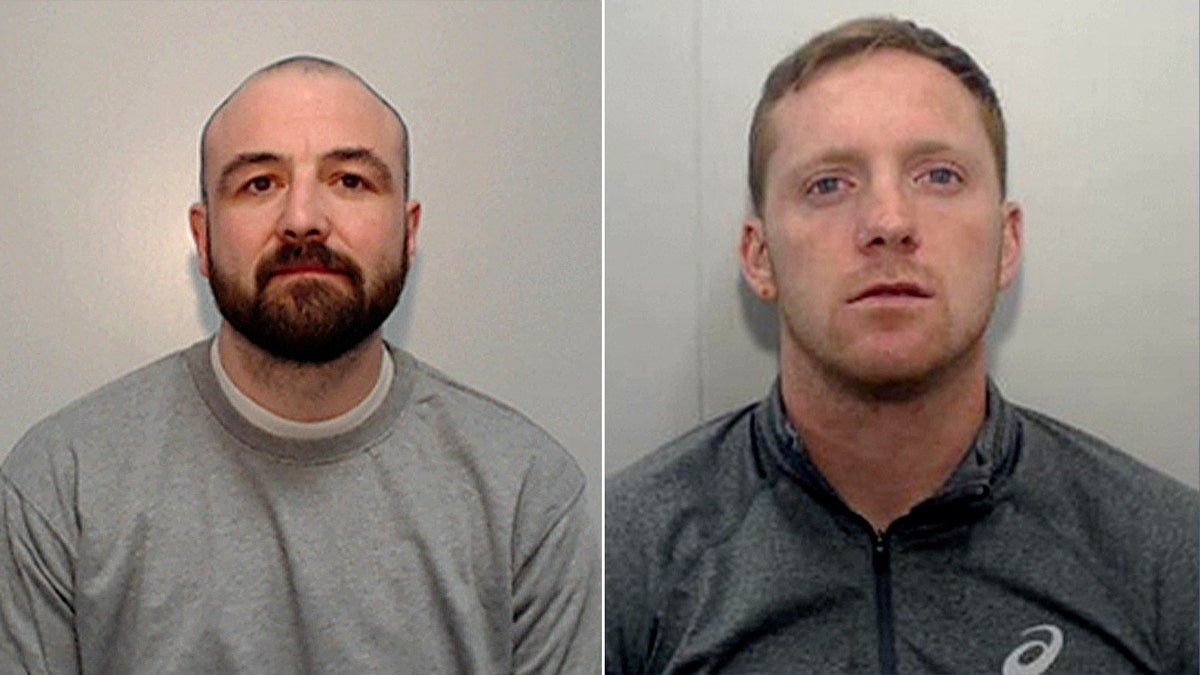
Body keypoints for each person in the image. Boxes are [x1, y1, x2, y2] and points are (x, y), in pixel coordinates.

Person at [606, 17, 1197, 674]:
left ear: (1007, 243)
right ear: (759, 256)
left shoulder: (1165, 554)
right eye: (828, 183)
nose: (889, 222)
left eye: (939, 176)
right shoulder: (621, 557)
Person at [1, 55, 598, 673]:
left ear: (408, 232)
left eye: (350, 181)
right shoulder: (61, 485)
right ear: (203, 240)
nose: (303, 220)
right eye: (260, 183)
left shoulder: (526, 494)